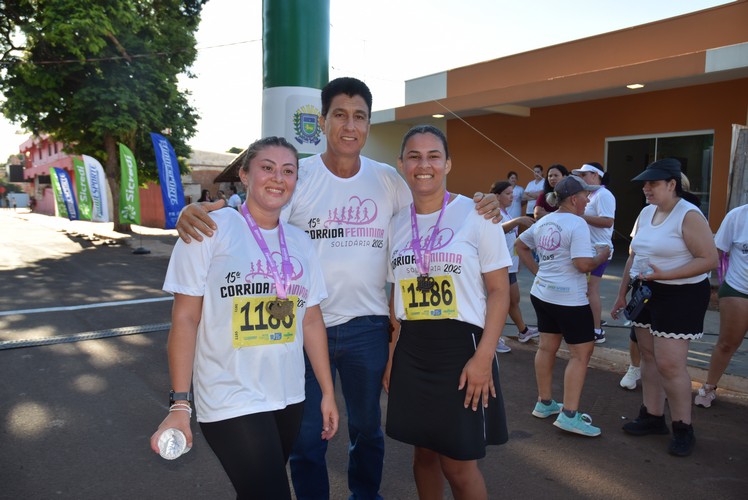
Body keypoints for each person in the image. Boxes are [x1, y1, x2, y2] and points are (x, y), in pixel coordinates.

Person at [174, 77, 501, 499]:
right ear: (323, 121)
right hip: (306, 327)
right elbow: (255, 214)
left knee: (367, 428)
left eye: (360, 117)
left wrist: (482, 204)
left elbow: (432, 200)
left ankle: (365, 494)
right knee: (309, 435)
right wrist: (201, 209)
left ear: (367, 125)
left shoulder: (388, 179)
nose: (350, 125)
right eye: (340, 115)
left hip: (368, 327)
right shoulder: (298, 174)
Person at [150, 137, 339, 499]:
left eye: (288, 170)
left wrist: (327, 393)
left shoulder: (300, 242)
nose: (277, 178)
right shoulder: (209, 230)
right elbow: (185, 320)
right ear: (245, 174)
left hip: (288, 396)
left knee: (255, 491)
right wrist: (179, 403)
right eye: (267, 167)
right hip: (230, 396)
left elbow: (311, 320)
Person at [385, 125, 511, 499]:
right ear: (402, 164)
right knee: (422, 453)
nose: (424, 165)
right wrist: (392, 358)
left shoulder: (477, 215)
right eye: (414, 156)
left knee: (458, 463)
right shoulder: (396, 223)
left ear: (448, 163)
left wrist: (484, 357)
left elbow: (499, 292)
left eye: (433, 156)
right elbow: (397, 298)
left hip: (462, 349)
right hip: (412, 348)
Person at [610, 158, 718, 457]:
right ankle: (653, 416)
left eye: (653, 183)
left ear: (672, 185)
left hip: (682, 295)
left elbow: (708, 260)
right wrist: (622, 294)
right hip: (647, 290)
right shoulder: (646, 213)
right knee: (647, 355)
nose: (646, 188)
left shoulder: (689, 215)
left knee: (670, 363)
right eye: (645, 184)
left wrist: (664, 275)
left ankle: (683, 427)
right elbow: (634, 255)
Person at [516, 175, 611, 437]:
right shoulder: (577, 224)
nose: (588, 199)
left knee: (547, 348)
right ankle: (569, 415)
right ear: (573, 199)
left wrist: (539, 273)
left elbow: (520, 245)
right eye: (585, 195)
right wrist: (604, 254)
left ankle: (545, 403)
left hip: (543, 294)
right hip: (569, 299)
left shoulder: (545, 219)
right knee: (581, 354)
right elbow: (583, 265)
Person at [694, 203, 748, 408]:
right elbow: (714, 252)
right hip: (738, 289)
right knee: (727, 343)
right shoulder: (737, 216)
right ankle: (709, 387)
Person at [572, 162, 616, 345]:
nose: (582, 178)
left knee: (591, 290)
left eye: (584, 175)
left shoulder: (604, 195)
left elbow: (607, 221)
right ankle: (594, 321)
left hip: (599, 249)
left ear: (596, 175)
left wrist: (580, 217)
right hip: (589, 249)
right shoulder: (591, 194)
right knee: (586, 290)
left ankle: (597, 330)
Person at [491, 180, 538, 345]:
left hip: (510, 265)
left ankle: (523, 331)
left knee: (513, 301)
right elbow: (496, 229)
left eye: (513, 193)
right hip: (499, 266)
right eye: (508, 194)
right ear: (497, 196)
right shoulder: (493, 212)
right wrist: (518, 221)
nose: (512, 197)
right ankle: (493, 340)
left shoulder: (506, 212)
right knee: (501, 304)